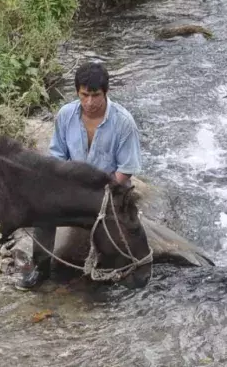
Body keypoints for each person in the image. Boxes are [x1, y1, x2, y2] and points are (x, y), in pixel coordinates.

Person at [21, 60, 142, 289]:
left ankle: (116, 267)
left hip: (108, 187)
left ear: (106, 92)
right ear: (77, 92)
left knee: (119, 228)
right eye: (84, 95)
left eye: (95, 95)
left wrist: (103, 192)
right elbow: (57, 155)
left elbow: (126, 168)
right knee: (42, 211)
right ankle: (41, 266)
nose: (89, 102)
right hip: (73, 185)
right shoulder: (66, 115)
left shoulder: (123, 122)